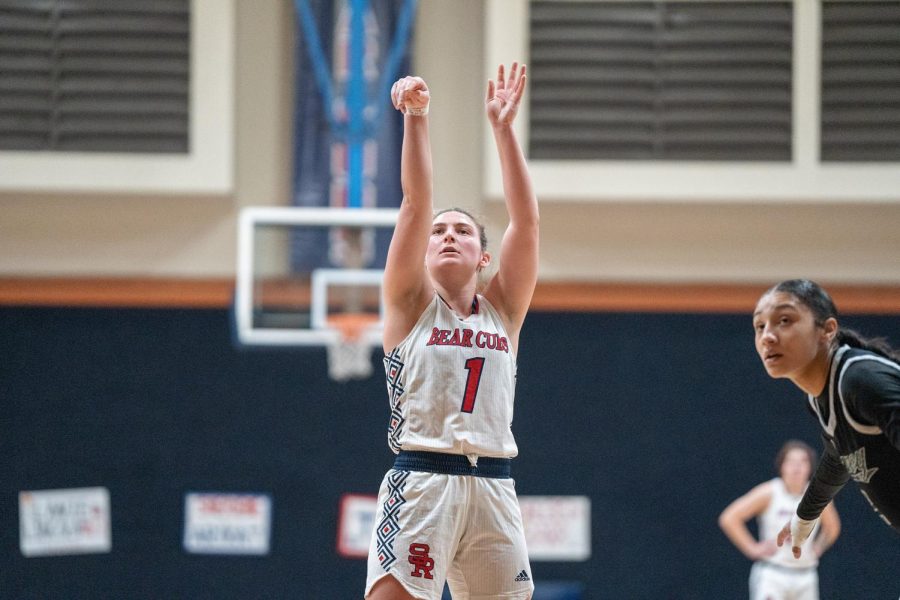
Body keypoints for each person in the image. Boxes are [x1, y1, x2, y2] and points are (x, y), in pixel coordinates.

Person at [365, 62, 538, 600]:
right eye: (439, 231)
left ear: (483, 256)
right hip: (422, 480)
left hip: (494, 483)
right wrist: (417, 117)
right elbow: (416, 203)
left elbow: (526, 222)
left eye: (462, 231)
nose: (446, 235)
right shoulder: (409, 303)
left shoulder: (503, 311)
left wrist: (505, 131)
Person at [752, 279, 900, 559]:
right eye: (760, 326)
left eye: (784, 320)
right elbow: (840, 456)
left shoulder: (860, 380)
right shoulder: (822, 396)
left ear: (828, 330)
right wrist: (805, 517)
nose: (767, 336)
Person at [719, 440, 840, 599]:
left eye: (802, 462)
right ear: (781, 466)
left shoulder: (817, 495)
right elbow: (729, 518)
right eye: (791, 462)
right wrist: (752, 548)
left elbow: (832, 527)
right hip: (773, 573)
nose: (796, 468)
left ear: (811, 467)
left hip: (805, 574)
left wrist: (818, 548)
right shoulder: (770, 492)